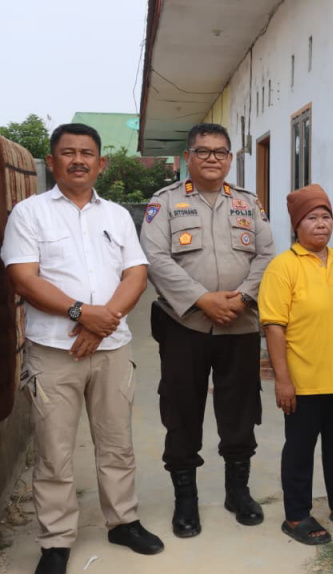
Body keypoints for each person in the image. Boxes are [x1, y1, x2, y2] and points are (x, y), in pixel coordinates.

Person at [2, 123, 163, 574]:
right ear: (52, 162)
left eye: (87, 153)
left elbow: (135, 274)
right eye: (68, 152)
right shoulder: (30, 213)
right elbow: (23, 278)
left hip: (112, 349)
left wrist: (102, 321)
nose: (78, 160)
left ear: (100, 163)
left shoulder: (116, 215)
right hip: (55, 351)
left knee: (116, 443)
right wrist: (81, 313)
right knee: (54, 450)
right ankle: (56, 541)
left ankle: (123, 521)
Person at [140, 122, 274, 538]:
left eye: (220, 152)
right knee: (182, 411)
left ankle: (238, 492)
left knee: (240, 412)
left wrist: (243, 297)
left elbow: (267, 254)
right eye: (203, 151)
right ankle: (186, 500)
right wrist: (202, 299)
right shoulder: (165, 202)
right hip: (185, 326)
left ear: (230, 159)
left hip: (240, 323)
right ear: (188, 157)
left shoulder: (248, 203)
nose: (212, 158)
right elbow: (154, 258)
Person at [258, 184, 333, 545]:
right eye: (311, 218)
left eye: (326, 216)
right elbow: (274, 326)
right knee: (300, 450)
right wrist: (282, 380)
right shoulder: (283, 267)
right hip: (303, 380)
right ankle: (296, 515)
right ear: (296, 225)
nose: (321, 224)